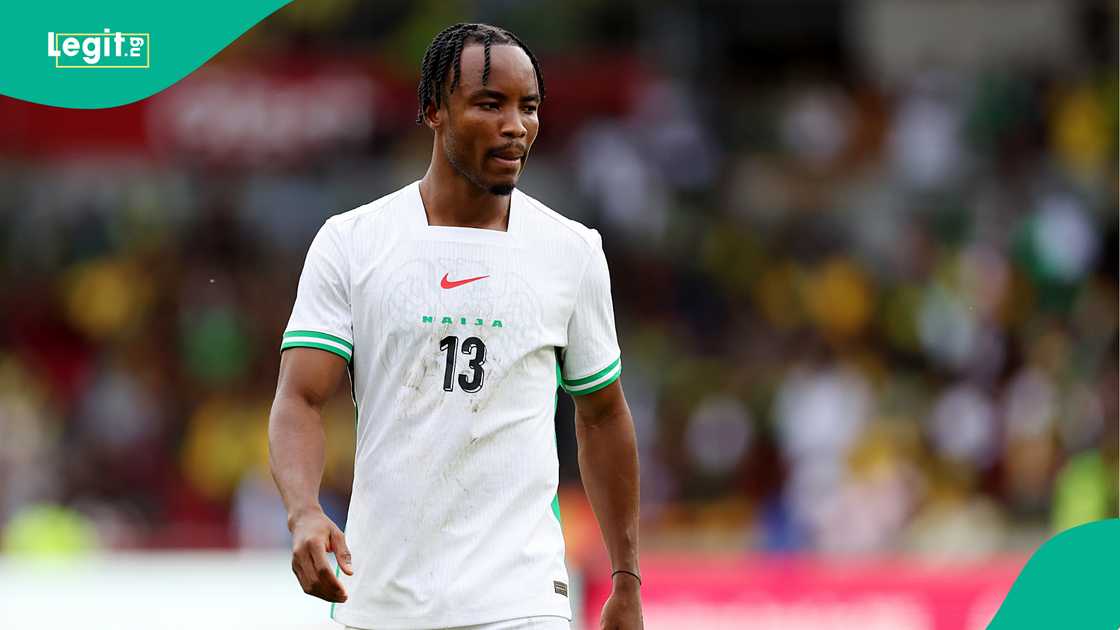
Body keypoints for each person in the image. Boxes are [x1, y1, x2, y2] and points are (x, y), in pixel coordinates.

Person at [268, 23, 643, 630]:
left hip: (520, 600)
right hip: (382, 597)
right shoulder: (352, 242)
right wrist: (303, 512)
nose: (515, 126)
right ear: (433, 111)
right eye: (490, 104)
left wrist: (626, 575)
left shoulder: (571, 251)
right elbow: (300, 398)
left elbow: (602, 415)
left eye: (528, 107)